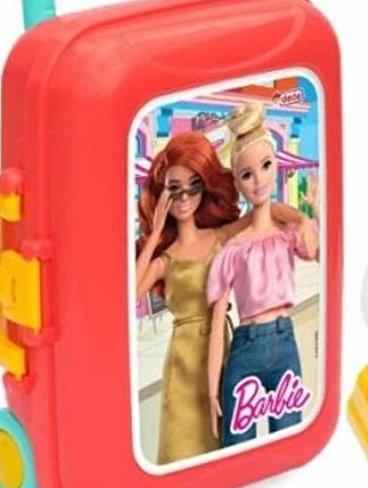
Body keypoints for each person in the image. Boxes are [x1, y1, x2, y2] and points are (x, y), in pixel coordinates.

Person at [206, 104, 320, 446]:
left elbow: (321, 255)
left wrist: (312, 213)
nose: (258, 181)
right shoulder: (231, 250)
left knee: (286, 442)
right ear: (237, 182)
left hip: (285, 343)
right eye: (247, 174)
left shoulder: (287, 235)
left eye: (266, 166)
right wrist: (212, 391)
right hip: (245, 347)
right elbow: (217, 325)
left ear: (276, 166)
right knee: (236, 447)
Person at [134, 132, 240, 464]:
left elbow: (262, 216)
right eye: (174, 189)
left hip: (222, 347)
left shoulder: (220, 236)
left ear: (205, 187)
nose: (184, 198)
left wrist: (301, 220)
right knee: (182, 446)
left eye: (193, 186)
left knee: (225, 439)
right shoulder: (165, 260)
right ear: (162, 195)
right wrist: (154, 234)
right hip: (183, 362)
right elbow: (130, 293)